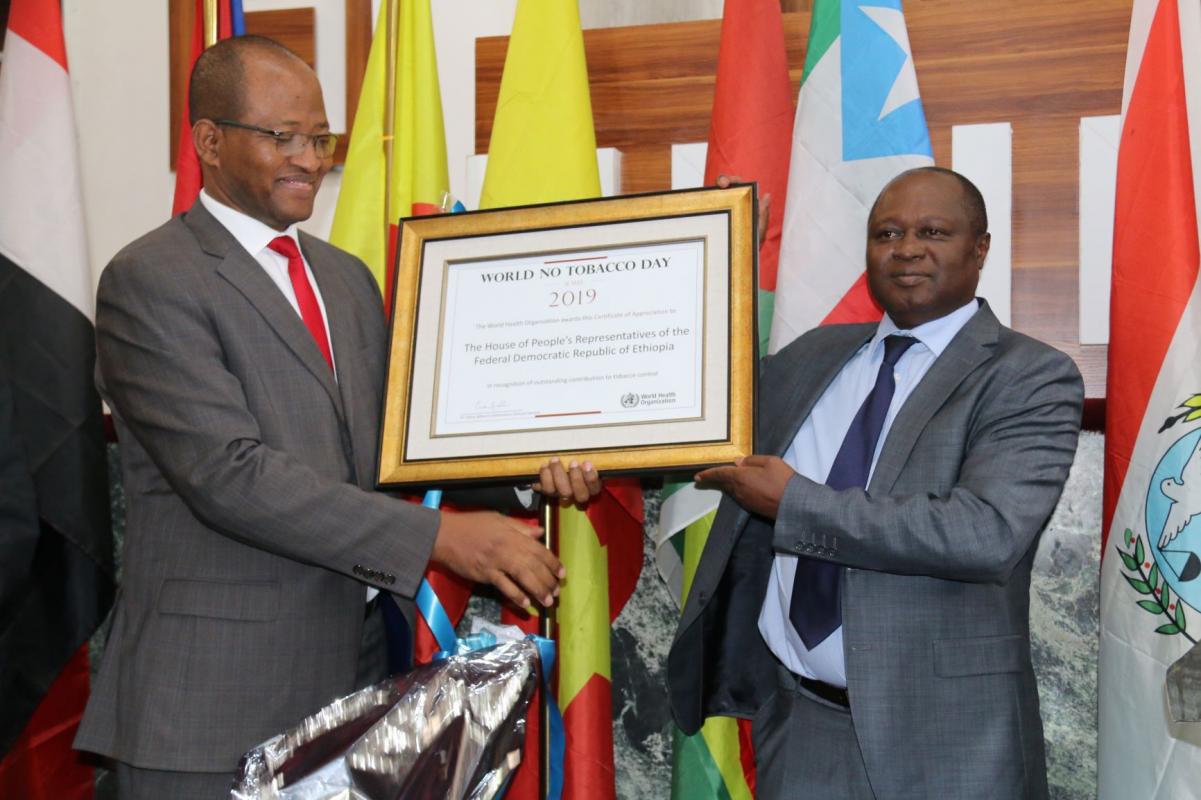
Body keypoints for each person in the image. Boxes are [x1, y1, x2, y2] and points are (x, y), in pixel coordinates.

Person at [74, 36, 597, 798]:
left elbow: (397, 447)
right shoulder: (151, 279)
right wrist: (440, 539)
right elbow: (229, 475)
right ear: (209, 142)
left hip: (356, 692)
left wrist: (529, 474)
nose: (310, 159)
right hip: (208, 708)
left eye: (319, 138)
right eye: (281, 136)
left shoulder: (346, 281)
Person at [668, 167, 1084, 799]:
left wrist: (795, 505)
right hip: (800, 724)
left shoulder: (1029, 375)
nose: (907, 247)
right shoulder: (811, 358)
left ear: (980, 249)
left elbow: (986, 532)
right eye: (886, 232)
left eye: (933, 231)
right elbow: (691, 402)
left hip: (948, 740)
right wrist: (718, 257)